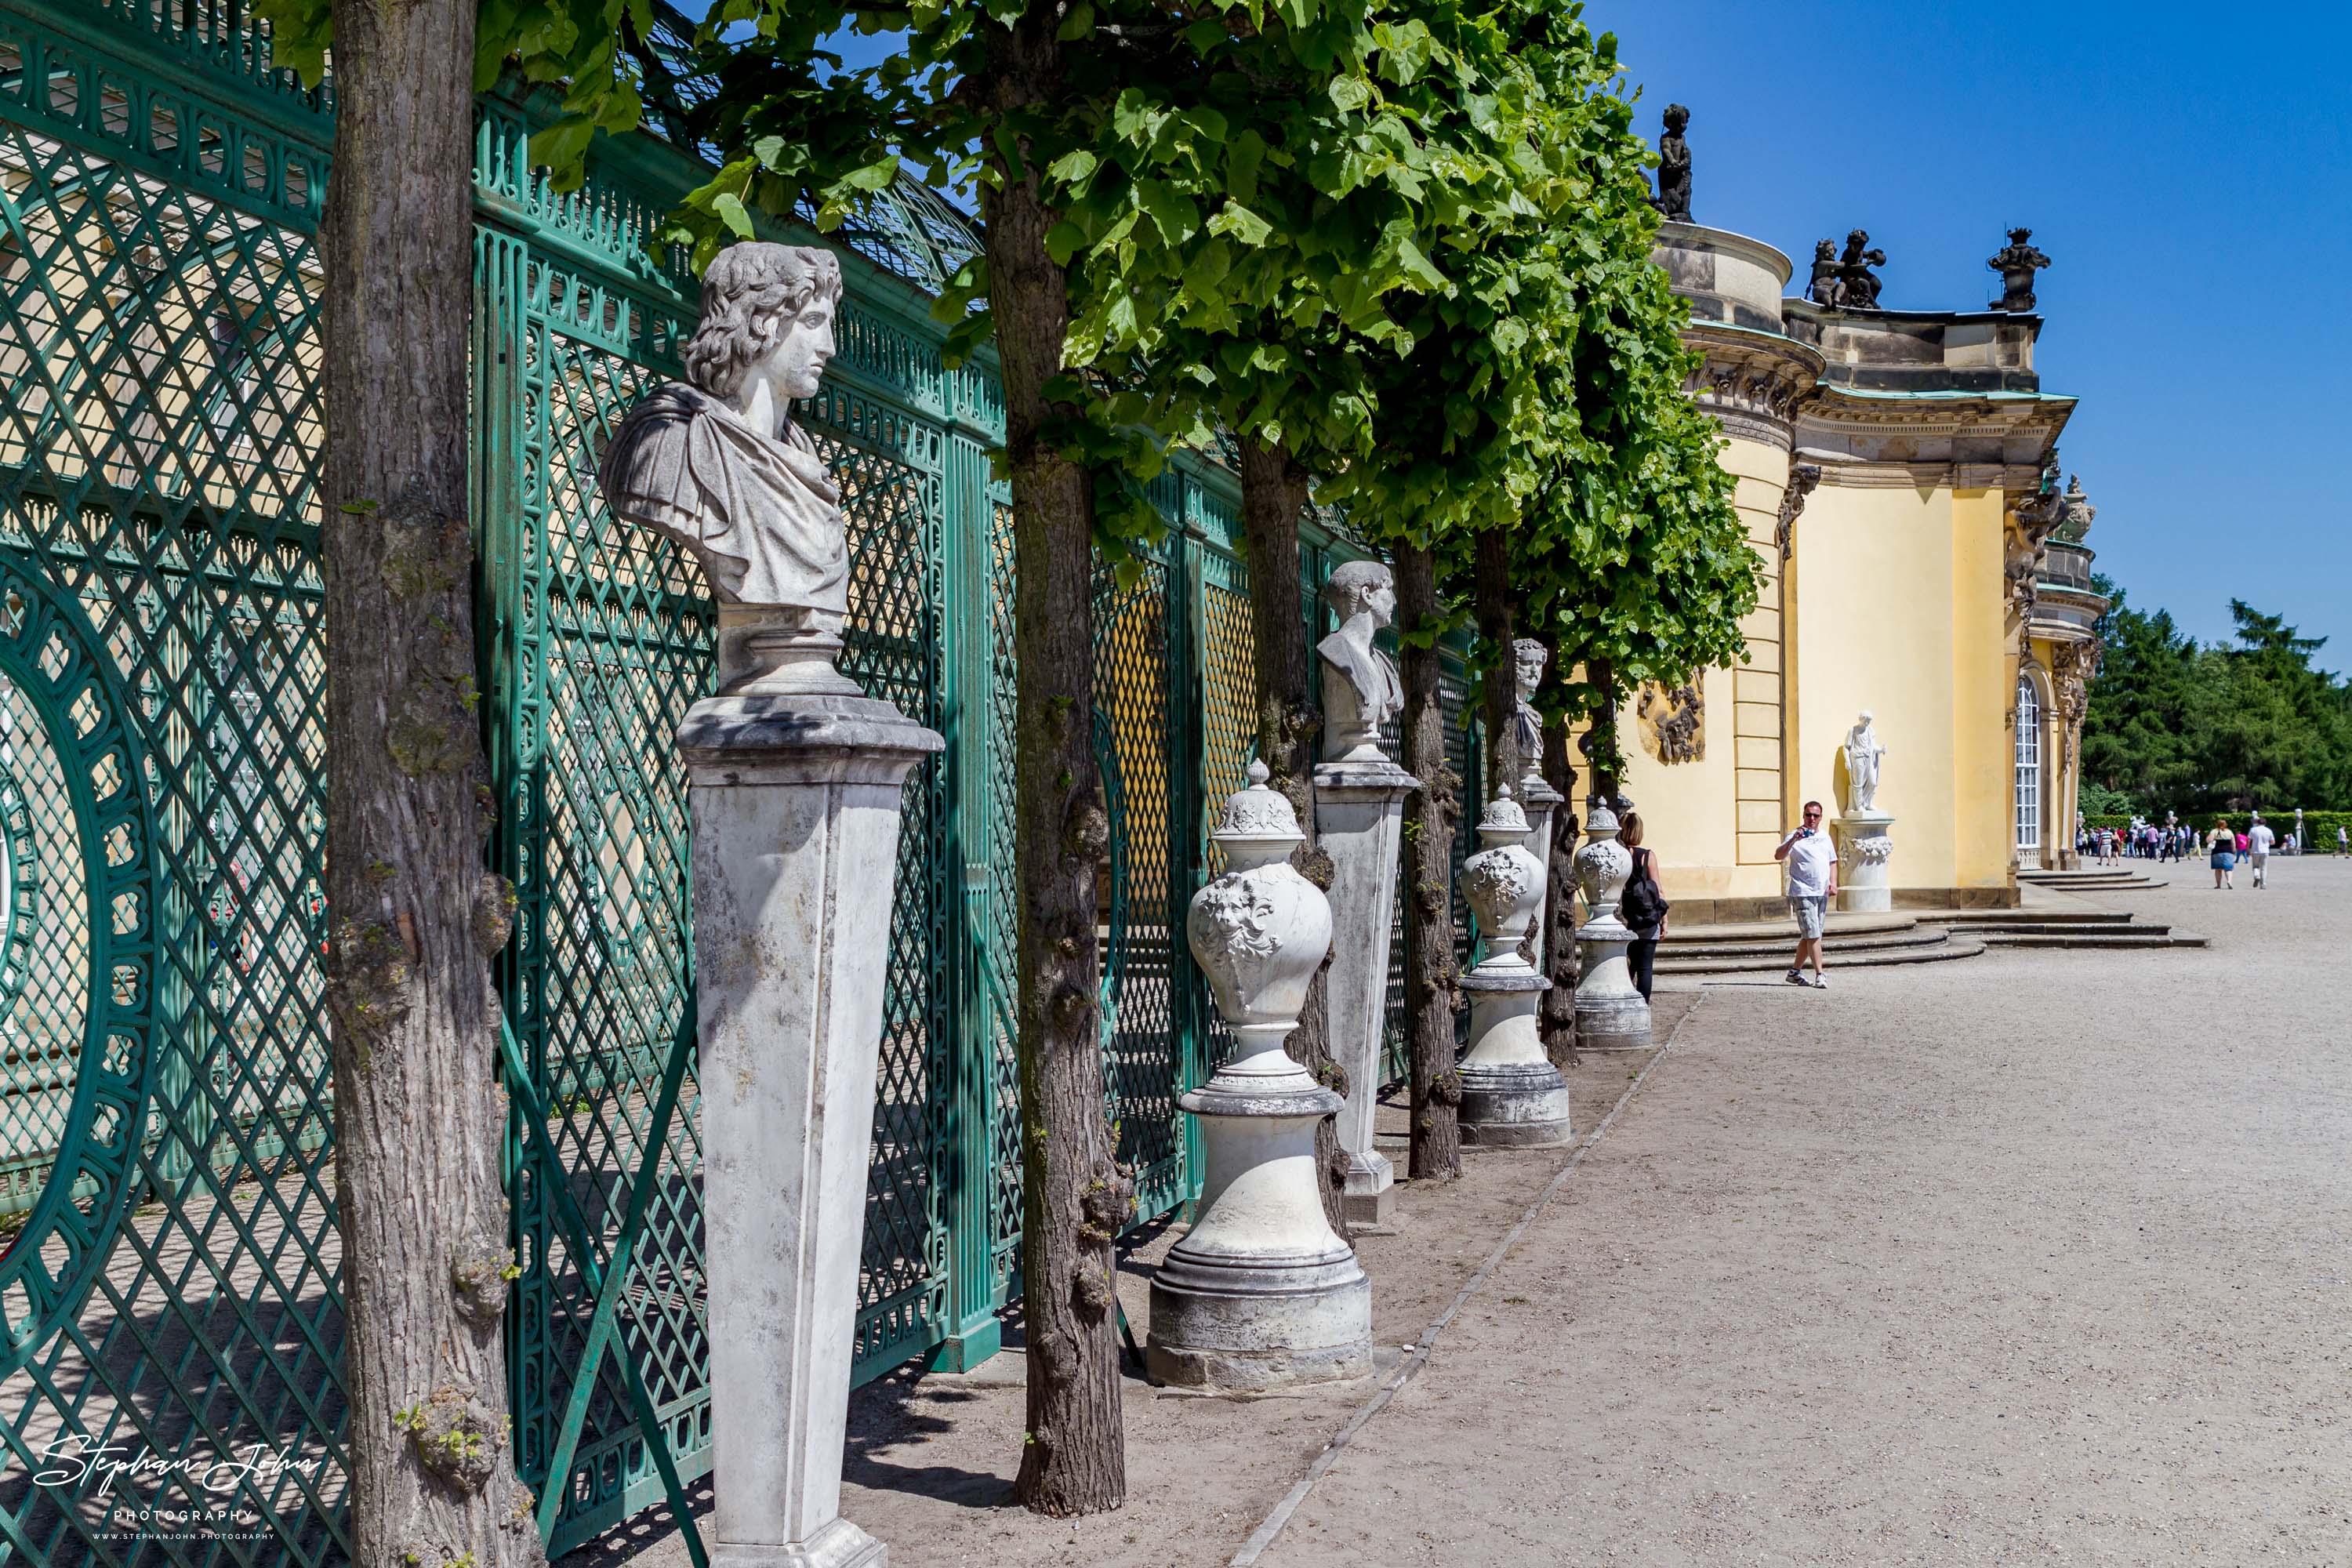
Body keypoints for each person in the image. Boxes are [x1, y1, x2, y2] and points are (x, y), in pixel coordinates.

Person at [1774, 800, 1838, 989]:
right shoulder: (1794, 836)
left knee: (1810, 934)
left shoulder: (1825, 837)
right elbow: (1778, 856)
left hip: (1821, 892)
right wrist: (1794, 839)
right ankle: (1820, 974)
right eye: (1808, 815)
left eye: (1816, 816)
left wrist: (1833, 883)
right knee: (1813, 934)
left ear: (1820, 818)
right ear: (1803, 816)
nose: (1812, 819)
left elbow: (1832, 861)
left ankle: (1794, 972)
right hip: (1802, 892)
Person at [1618, 811, 1667, 1001]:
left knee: (1626, 965)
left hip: (1626, 918)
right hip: (1647, 918)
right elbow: (1659, 890)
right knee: (1645, 967)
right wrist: (1665, 921)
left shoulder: (1619, 854)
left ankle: (1625, 1000)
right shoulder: (1647, 856)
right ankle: (1642, 1005)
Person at [2248, 811, 2275, 888]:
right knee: (2263, 868)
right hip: (2265, 851)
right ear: (2265, 823)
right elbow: (2273, 842)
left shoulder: (2253, 830)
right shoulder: (2269, 830)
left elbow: (2249, 840)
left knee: (2255, 867)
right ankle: (2263, 885)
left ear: (2257, 822)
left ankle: (2257, 876)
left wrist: (2247, 849)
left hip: (2255, 851)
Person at [2208, 818, 2237, 889]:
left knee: (2218, 869)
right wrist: (2234, 851)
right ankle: (2229, 881)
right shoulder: (2229, 832)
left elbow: (2209, 840)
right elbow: (2233, 842)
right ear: (2225, 824)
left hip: (2217, 852)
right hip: (2228, 851)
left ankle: (2218, 885)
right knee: (2228, 869)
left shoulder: (2214, 831)